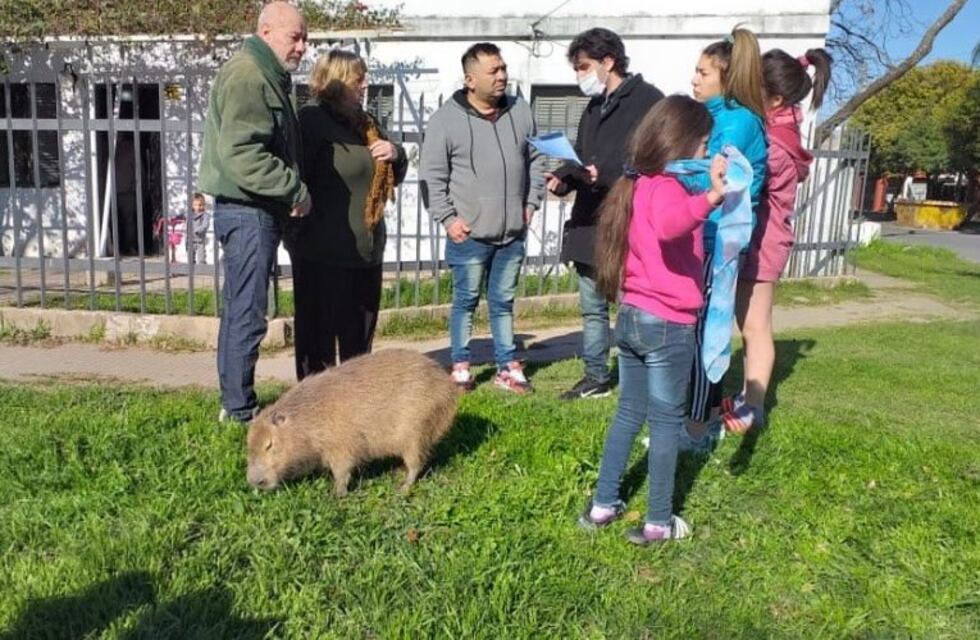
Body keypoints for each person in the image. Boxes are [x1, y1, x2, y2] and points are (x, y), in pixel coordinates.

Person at [577, 95, 727, 544]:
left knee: (628, 414)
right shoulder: (666, 188)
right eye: (702, 145)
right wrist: (713, 196)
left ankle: (604, 504)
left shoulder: (638, 184)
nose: (705, 153)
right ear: (681, 143)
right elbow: (670, 225)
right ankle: (659, 521)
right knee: (665, 424)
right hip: (667, 325)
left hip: (634, 317)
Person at [198, 1, 311, 423]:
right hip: (248, 211)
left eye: (305, 38)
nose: (301, 46)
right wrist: (294, 188)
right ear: (266, 32)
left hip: (253, 211)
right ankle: (239, 410)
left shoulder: (264, 74)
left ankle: (235, 402)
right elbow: (241, 154)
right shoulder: (250, 75)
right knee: (247, 312)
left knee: (241, 308)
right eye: (294, 36)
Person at [545, 28, 664, 401]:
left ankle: (640, 377)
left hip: (628, 219)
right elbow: (581, 154)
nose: (580, 75)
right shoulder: (593, 107)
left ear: (608, 61)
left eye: (584, 67)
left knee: (633, 305)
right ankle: (596, 375)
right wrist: (565, 178)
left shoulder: (649, 101)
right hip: (588, 222)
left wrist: (609, 174)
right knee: (592, 306)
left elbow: (655, 160)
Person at [420, 42, 546, 394]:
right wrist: (448, 219)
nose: (503, 76)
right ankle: (461, 366)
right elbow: (431, 176)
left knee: (503, 302)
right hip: (469, 233)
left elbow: (537, 159)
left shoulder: (521, 111)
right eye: (494, 71)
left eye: (503, 68)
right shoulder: (445, 119)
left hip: (512, 232)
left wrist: (531, 203)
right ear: (470, 79)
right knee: (465, 301)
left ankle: (508, 366)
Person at [719, 48, 831, 434]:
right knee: (748, 323)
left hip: (764, 243)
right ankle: (749, 398)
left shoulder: (775, 146)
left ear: (777, 99)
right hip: (762, 239)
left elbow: (749, 185)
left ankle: (754, 407)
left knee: (755, 327)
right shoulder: (779, 131)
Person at [286, 50, 407, 379]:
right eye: (358, 78)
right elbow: (294, 178)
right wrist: (296, 236)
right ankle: (314, 416)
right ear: (336, 81)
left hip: (365, 252)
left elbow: (395, 171)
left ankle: (355, 412)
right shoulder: (310, 122)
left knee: (358, 349)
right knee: (318, 344)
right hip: (322, 252)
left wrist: (395, 153)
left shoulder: (367, 124)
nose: (365, 85)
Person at [685, 27, 768, 443]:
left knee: (707, 336)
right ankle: (690, 420)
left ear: (725, 75)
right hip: (702, 237)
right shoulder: (712, 117)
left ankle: (698, 431)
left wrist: (670, 169)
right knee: (691, 331)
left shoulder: (737, 122)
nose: (694, 79)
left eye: (702, 72)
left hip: (720, 243)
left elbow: (715, 176)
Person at [188, 192, 210, 265]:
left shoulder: (205, 215)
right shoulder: (190, 215)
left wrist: (197, 230)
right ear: (192, 205)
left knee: (201, 258)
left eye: (200, 205)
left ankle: (202, 272)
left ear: (203, 205)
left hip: (200, 240)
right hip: (190, 240)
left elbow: (205, 225)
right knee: (190, 258)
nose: (197, 207)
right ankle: (191, 272)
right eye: (195, 205)